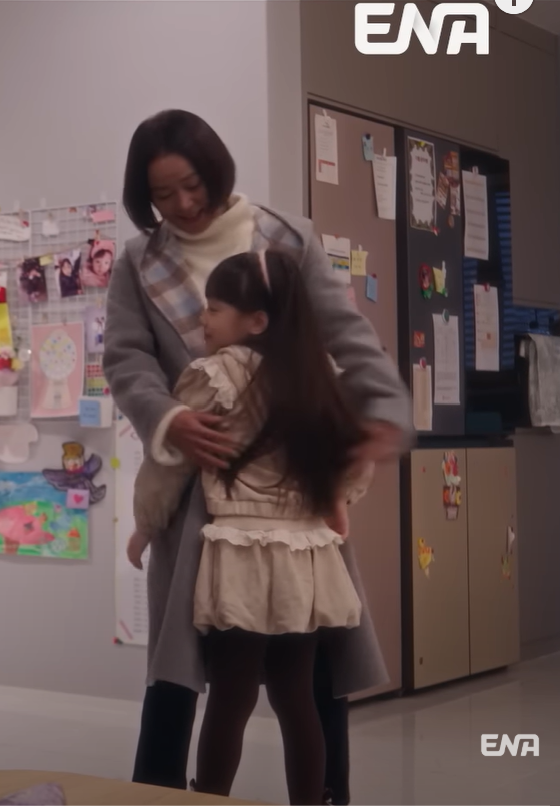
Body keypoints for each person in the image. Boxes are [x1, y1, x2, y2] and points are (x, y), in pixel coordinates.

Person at [103, 109, 412, 805]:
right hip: (194, 490)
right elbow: (126, 359)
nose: (183, 205)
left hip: (294, 497)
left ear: (215, 170)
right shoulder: (137, 260)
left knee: (311, 671)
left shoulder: (286, 237)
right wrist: (169, 418)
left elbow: (346, 334)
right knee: (179, 670)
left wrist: (382, 416)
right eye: (162, 195)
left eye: (192, 185)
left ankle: (325, 794)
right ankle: (159, 794)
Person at [127, 249, 375, 804]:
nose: (203, 319)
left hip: (239, 550)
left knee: (231, 696)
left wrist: (146, 524)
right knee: (296, 697)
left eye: (215, 308)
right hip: (305, 554)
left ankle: (211, 795)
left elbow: (170, 461)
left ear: (256, 320)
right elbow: (357, 456)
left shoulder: (213, 377)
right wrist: (337, 499)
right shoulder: (321, 377)